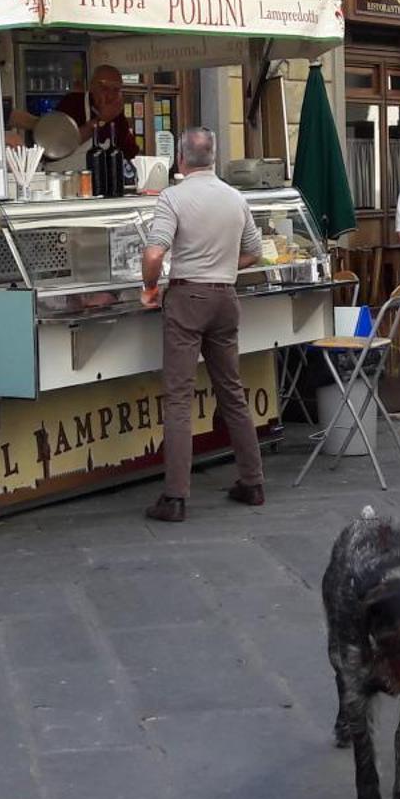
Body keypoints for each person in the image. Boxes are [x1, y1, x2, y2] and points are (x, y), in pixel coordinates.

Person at [139, 127, 264, 522]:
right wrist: (223, 267)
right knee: (231, 391)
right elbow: (255, 253)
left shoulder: (172, 198)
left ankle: (175, 497)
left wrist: (149, 287)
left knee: (179, 397)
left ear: (180, 158)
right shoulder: (234, 196)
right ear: (213, 156)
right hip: (225, 298)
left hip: (187, 297)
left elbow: (155, 253)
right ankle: (253, 481)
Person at [24, 63, 139, 158]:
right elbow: (57, 144)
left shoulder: (116, 115)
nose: (110, 95)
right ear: (92, 86)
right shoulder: (73, 102)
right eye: (104, 88)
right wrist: (100, 120)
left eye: (116, 90)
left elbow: (130, 152)